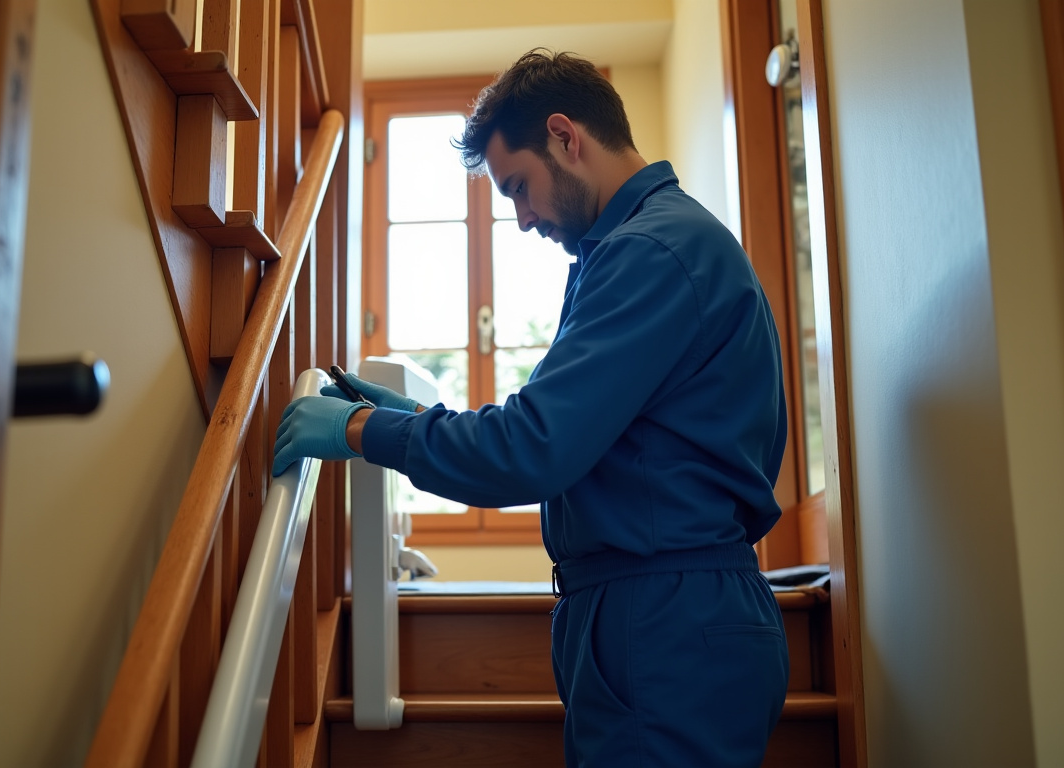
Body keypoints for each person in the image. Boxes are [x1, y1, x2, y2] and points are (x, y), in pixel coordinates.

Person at [272, 48, 789, 767]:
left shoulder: (651, 253)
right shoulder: (644, 247)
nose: (520, 220)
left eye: (519, 187)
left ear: (565, 137)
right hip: (656, 608)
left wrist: (363, 429)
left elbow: (532, 447)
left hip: (665, 617)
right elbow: (560, 432)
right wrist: (412, 421)